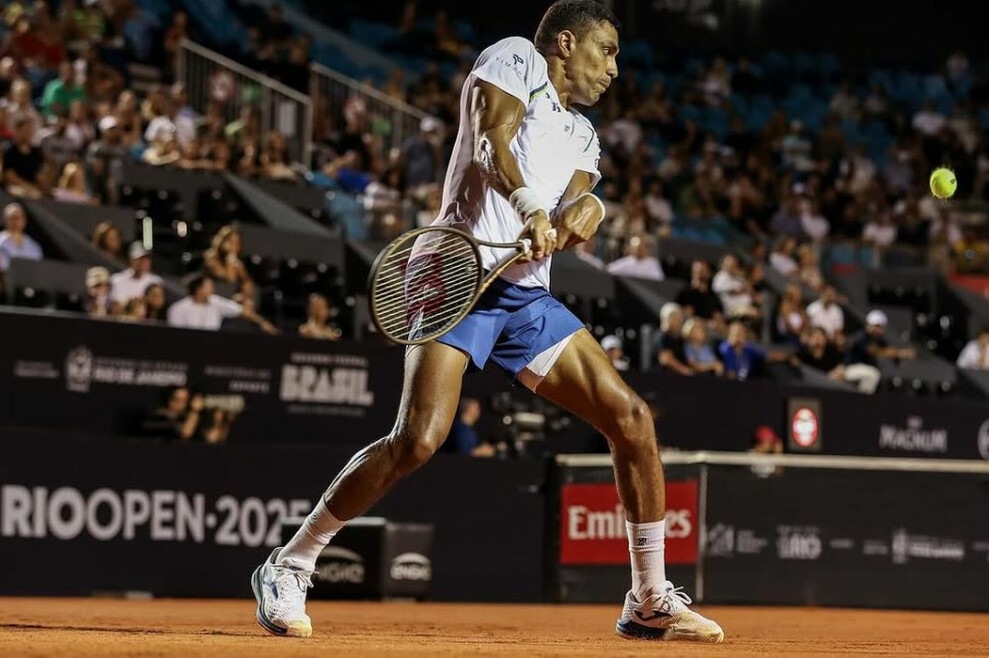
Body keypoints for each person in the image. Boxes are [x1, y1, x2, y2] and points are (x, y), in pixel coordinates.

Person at [253, 1, 724, 644]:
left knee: (632, 420)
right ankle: (290, 562)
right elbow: (489, 138)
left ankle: (647, 598)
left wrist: (590, 210)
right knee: (418, 439)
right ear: (566, 42)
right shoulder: (516, 59)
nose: (615, 67)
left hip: (524, 298)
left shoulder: (584, 133)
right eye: (606, 50)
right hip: (454, 273)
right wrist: (532, 207)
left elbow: (579, 197)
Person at [167, 274, 276, 333]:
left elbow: (242, 311)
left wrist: (262, 322)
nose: (212, 289)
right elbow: (176, 334)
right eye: (208, 286)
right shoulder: (178, 308)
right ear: (198, 289)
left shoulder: (216, 302)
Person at [845, 310, 914, 392]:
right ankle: (863, 401)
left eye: (880, 327)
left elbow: (889, 350)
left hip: (864, 369)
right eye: (875, 326)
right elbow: (874, 351)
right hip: (850, 369)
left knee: (877, 375)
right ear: (868, 325)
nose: (877, 329)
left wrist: (899, 354)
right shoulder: (862, 337)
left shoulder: (879, 339)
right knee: (873, 374)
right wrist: (901, 353)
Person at [0, 203, 43, 270]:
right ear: (6, 221)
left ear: (24, 221)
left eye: (18, 218)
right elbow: (2, 266)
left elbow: (36, 268)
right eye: (12, 218)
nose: (15, 221)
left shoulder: (34, 246)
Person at [109, 242, 163, 306]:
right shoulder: (116, 280)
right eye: (140, 259)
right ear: (131, 259)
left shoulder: (155, 281)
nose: (143, 262)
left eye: (146, 259)